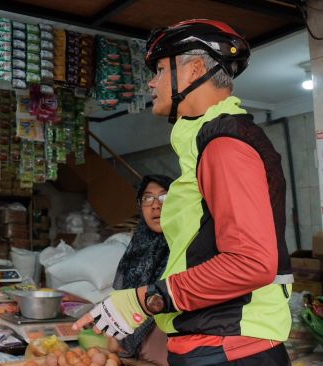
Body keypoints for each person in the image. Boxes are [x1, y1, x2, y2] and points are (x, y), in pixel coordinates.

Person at [73, 19, 293, 366]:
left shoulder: (225, 144)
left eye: (160, 70)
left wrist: (144, 299)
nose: (152, 82)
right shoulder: (205, 144)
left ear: (192, 71)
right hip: (209, 341)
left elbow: (251, 263)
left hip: (232, 347)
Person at [111, 175, 173, 366]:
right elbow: (122, 295)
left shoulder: (189, 246)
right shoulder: (137, 247)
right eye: (148, 198)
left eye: (164, 197)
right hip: (131, 351)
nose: (155, 205)